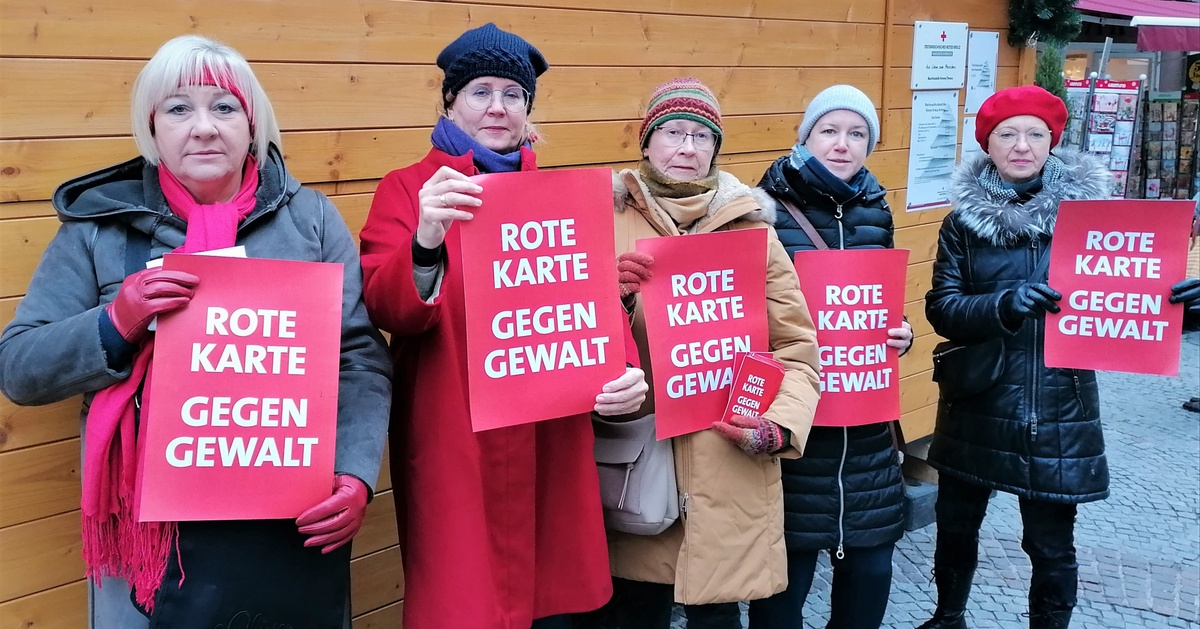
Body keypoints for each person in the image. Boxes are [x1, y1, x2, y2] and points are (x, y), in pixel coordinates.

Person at [0, 35, 391, 627]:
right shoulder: (100, 231)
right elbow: (19, 368)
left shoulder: (310, 220)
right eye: (179, 108)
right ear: (152, 127)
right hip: (150, 540)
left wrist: (356, 472)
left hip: (288, 526)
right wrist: (115, 322)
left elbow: (359, 358)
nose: (204, 127)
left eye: (224, 106)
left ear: (252, 121)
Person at [357, 23, 648, 629]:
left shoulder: (555, 194)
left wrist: (625, 371)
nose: (497, 106)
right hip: (454, 440)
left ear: (527, 109)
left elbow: (590, 299)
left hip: (550, 437)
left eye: (512, 93)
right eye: (480, 91)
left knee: (553, 602)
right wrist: (426, 239)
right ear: (450, 101)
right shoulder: (408, 189)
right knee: (464, 602)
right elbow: (390, 309)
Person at [918, 85, 1200, 629]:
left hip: (1059, 400)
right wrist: (1004, 303)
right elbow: (944, 308)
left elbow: (1135, 299)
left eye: (1035, 133)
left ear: (1054, 141)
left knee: (1049, 544)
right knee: (955, 526)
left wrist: (1189, 308)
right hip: (978, 396)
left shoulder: (1098, 218)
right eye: (1007, 133)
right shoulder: (962, 224)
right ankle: (946, 616)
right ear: (988, 143)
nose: (1021, 145)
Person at [589, 77, 822, 629]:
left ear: (716, 148)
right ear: (646, 142)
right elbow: (568, 338)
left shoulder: (755, 234)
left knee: (716, 618)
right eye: (672, 132)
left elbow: (798, 349)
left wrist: (778, 425)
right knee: (630, 615)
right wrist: (612, 300)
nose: (687, 147)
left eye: (701, 135)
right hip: (636, 464)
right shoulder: (601, 222)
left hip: (728, 466)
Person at [746, 84, 912, 629]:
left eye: (857, 133)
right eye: (829, 131)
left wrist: (898, 334)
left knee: (867, 589)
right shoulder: (761, 211)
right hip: (799, 436)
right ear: (806, 136)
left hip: (866, 437)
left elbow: (877, 305)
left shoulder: (877, 209)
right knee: (781, 600)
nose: (842, 144)